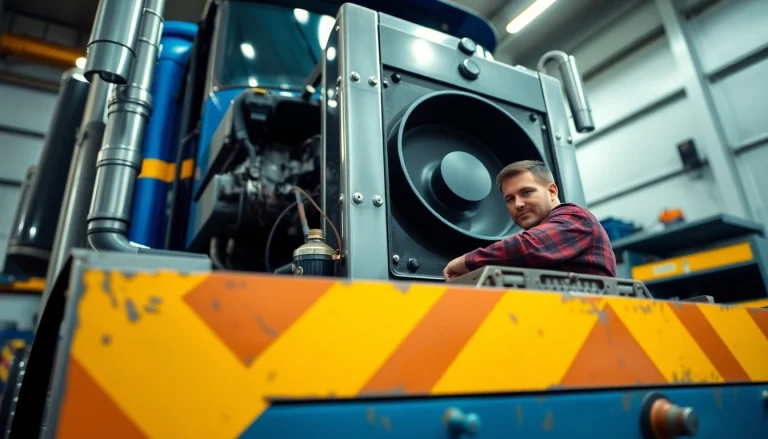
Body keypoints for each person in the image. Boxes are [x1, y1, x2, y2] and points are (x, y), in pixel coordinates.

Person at [442, 160, 617, 280]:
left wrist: (466, 261)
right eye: (510, 199)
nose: (518, 204)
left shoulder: (576, 218)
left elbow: (530, 246)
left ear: (552, 191)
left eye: (526, 192)